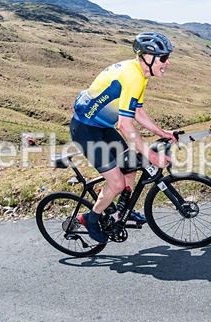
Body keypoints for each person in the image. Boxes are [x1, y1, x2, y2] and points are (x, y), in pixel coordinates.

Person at [69, 31, 176, 243]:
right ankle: (90, 218)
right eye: (163, 58)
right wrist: (152, 156)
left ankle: (119, 212)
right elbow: (125, 126)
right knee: (117, 184)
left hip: (103, 127)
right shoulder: (133, 76)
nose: (168, 63)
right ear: (147, 57)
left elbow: (137, 112)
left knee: (131, 166)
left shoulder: (140, 74)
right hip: (86, 130)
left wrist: (163, 133)